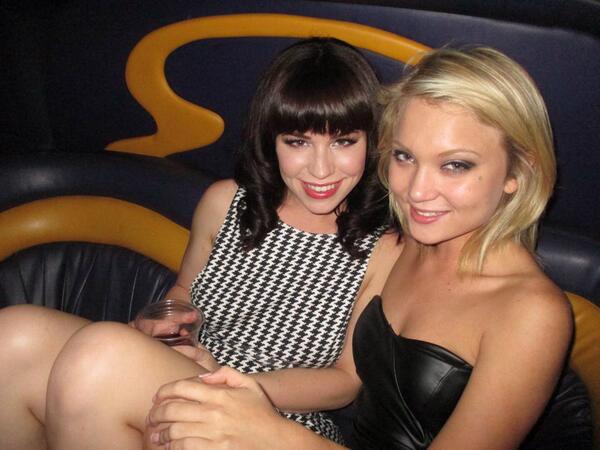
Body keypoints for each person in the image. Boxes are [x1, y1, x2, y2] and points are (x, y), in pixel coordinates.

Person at [144, 46, 590, 450]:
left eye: (455, 165)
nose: (416, 191)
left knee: (111, 360)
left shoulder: (531, 313)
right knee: (107, 357)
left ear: (518, 172)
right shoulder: (408, 244)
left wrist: (268, 430)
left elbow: (339, 383)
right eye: (404, 156)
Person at [0, 37, 401, 449]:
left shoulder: (383, 247)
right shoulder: (225, 202)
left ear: (373, 143)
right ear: (272, 141)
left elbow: (343, 382)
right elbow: (184, 293)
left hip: (272, 417)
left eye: (343, 141)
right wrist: (165, 325)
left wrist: (236, 383)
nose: (320, 168)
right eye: (297, 141)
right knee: (13, 335)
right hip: (188, 372)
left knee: (100, 355)